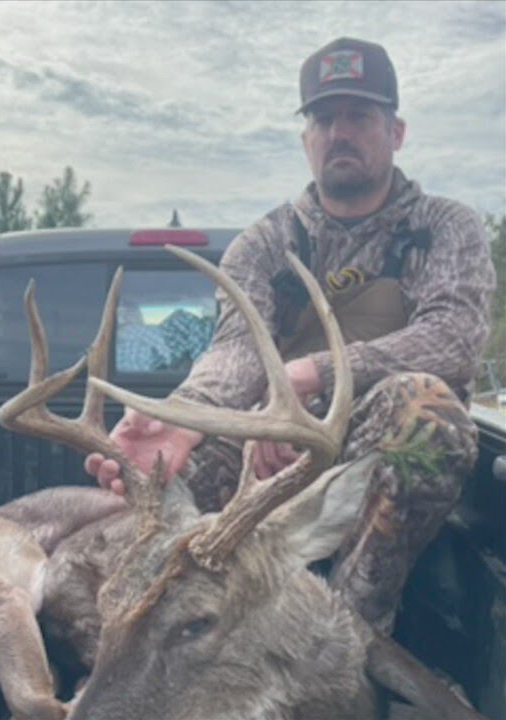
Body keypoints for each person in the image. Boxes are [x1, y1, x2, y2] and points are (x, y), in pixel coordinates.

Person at [84, 37, 494, 634]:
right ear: (307, 138)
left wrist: (309, 376)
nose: (339, 133)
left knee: (429, 415)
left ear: (396, 132)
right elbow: (236, 348)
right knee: (159, 487)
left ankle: (347, 638)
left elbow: (452, 337)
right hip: (268, 447)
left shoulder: (443, 227)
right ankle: (175, 652)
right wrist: (186, 415)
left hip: (372, 451)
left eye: (359, 116)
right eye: (324, 119)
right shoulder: (266, 243)